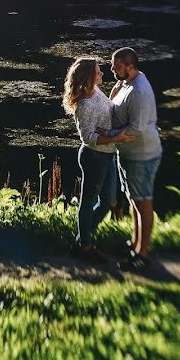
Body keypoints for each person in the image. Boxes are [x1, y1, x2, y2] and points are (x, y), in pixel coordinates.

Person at [62, 58, 136, 262]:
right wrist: (116, 137)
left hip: (108, 154)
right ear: (89, 77)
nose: (102, 73)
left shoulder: (95, 91)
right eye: (98, 71)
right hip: (95, 157)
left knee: (108, 202)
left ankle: (81, 240)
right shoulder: (85, 104)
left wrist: (118, 90)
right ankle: (84, 245)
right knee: (89, 201)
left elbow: (109, 109)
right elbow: (88, 138)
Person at [108, 47, 163, 271]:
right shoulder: (127, 82)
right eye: (112, 65)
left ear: (130, 67)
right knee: (134, 200)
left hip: (142, 154)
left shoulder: (138, 90)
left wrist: (106, 136)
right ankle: (135, 242)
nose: (112, 69)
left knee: (143, 201)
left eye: (117, 66)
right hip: (129, 152)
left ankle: (142, 254)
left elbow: (136, 129)